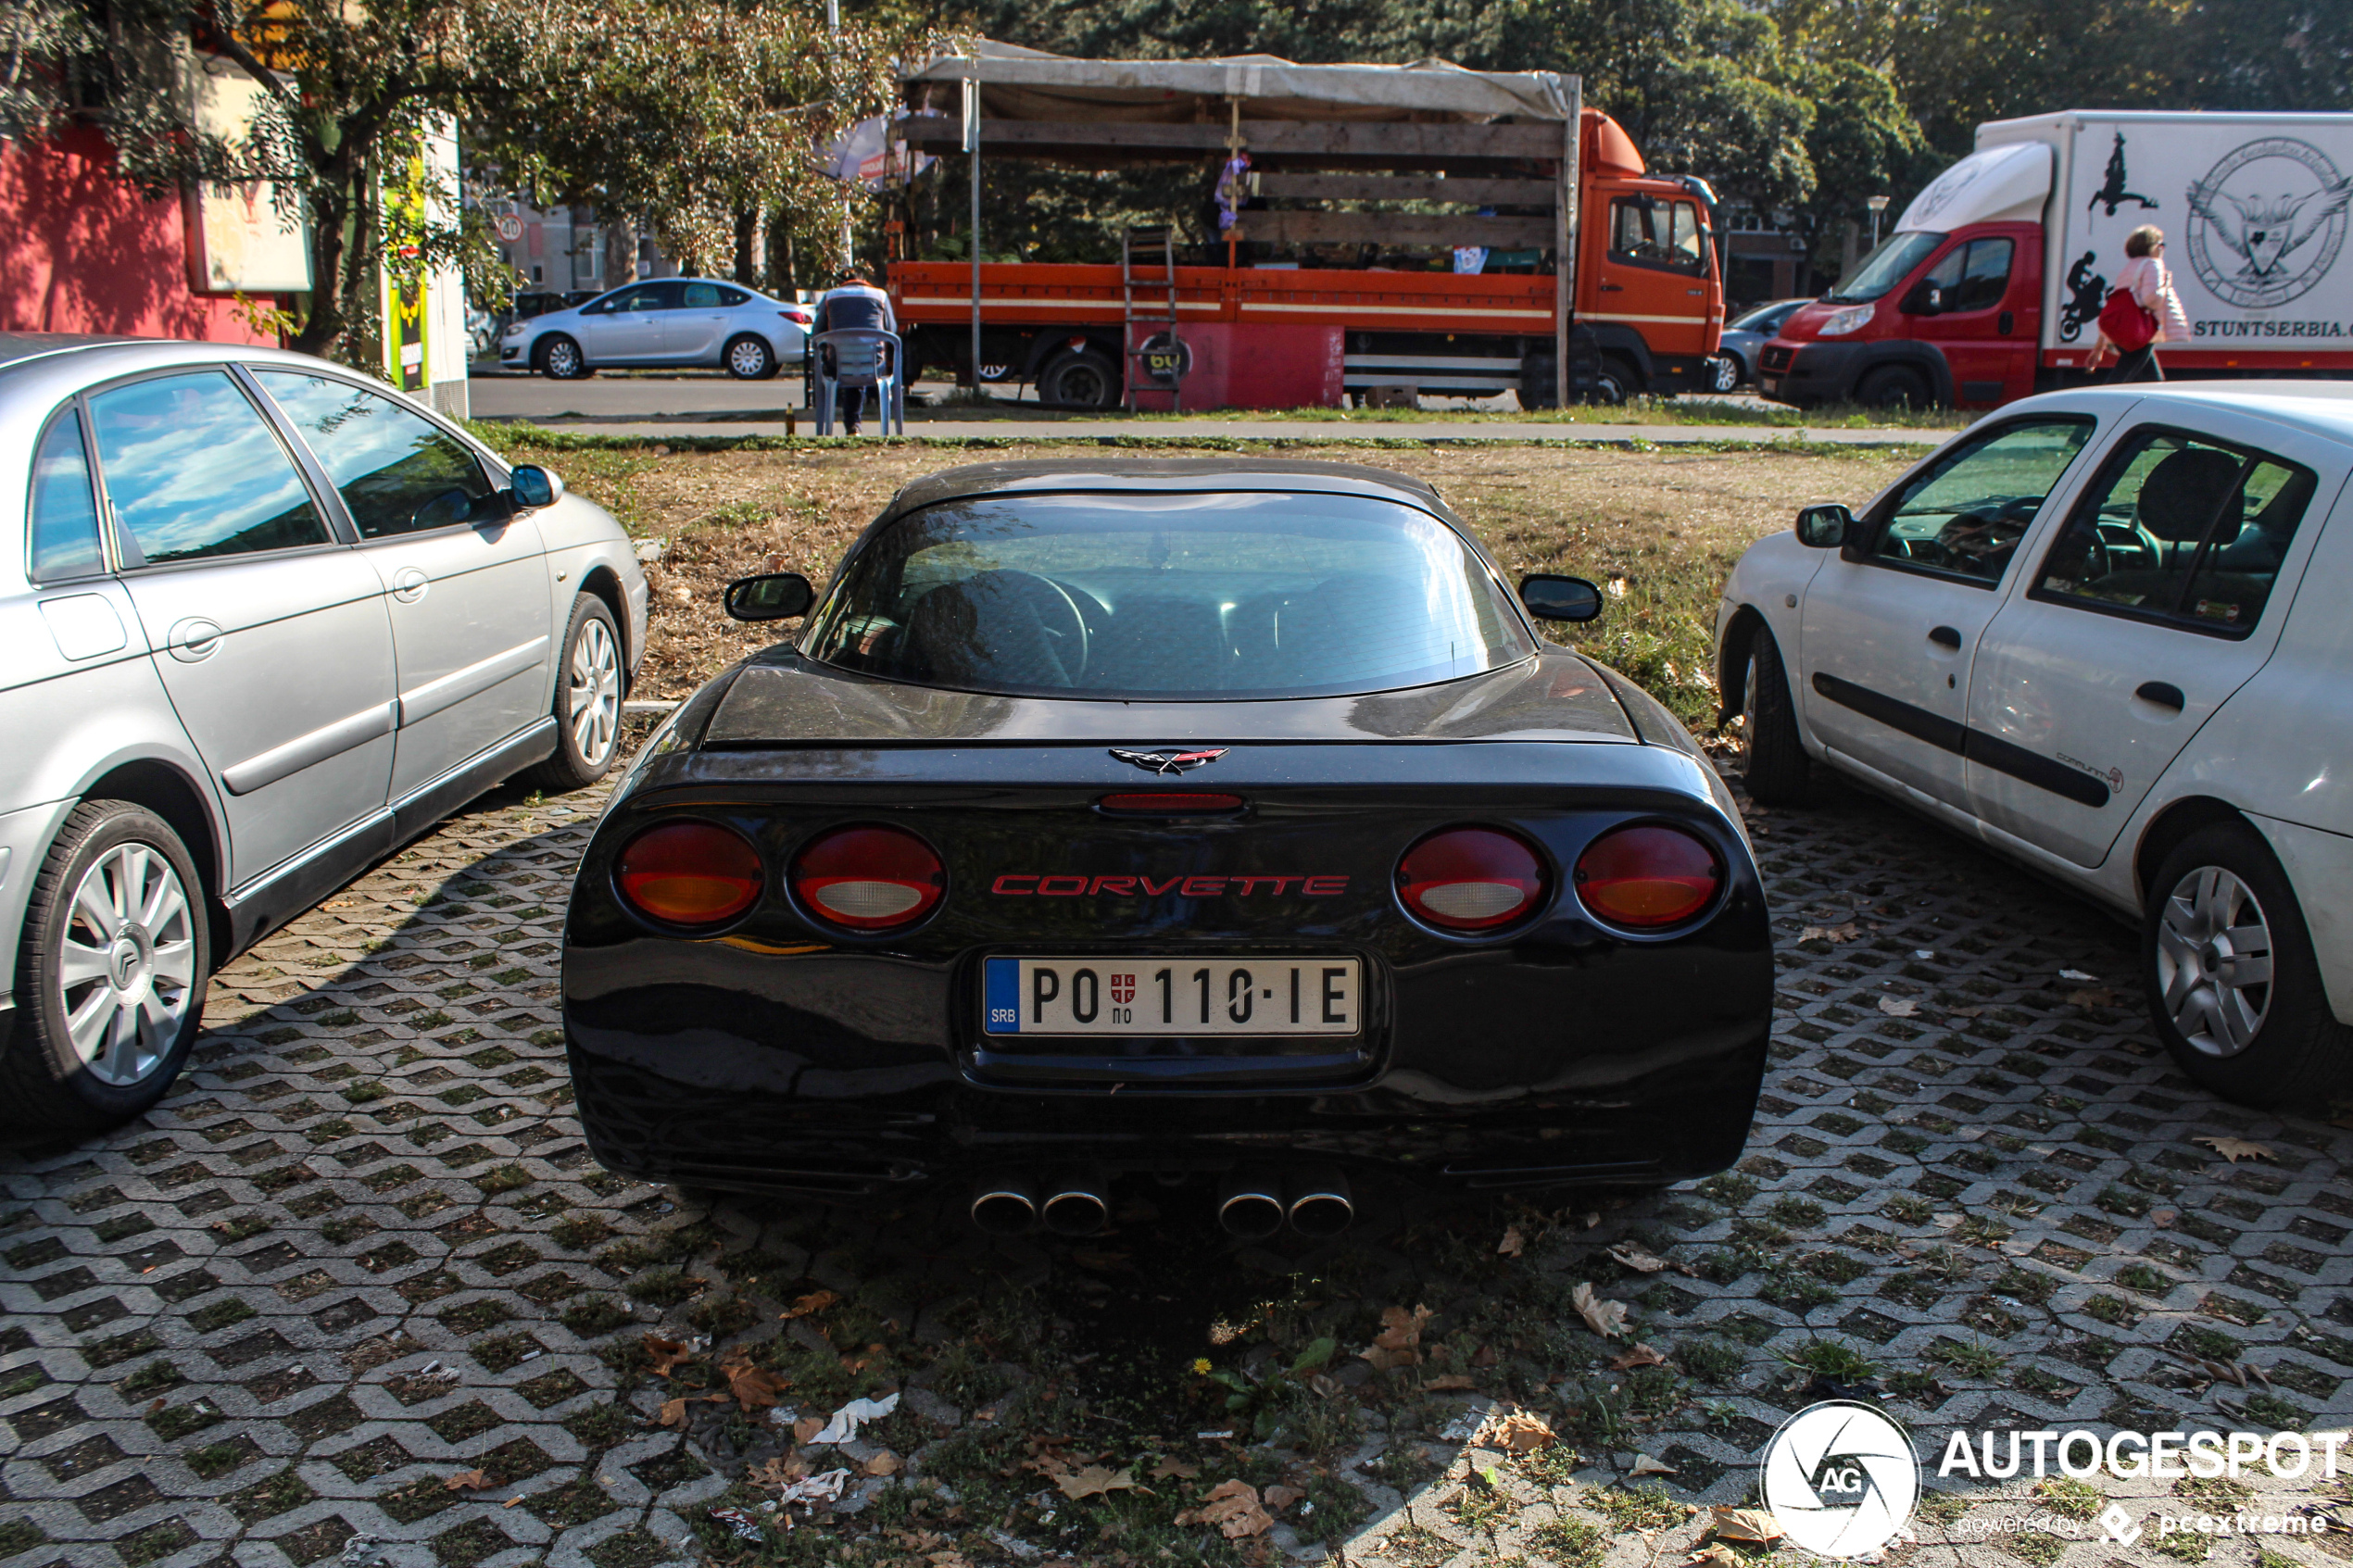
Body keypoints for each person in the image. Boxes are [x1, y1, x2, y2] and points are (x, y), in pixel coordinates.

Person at [2090, 225, 2188, 383]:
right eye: (2160, 244)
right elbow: (2151, 299)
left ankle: (2154, 406)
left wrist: (2099, 347)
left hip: (2127, 330)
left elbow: (2117, 304)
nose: (2162, 249)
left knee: (2153, 380)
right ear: (2153, 246)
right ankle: (2102, 405)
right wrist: (2166, 284)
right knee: (2120, 379)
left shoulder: (2130, 268)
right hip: (2141, 330)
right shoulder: (2153, 264)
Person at [811, 268, 898, 434]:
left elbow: (817, 333)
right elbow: (891, 330)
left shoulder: (830, 296)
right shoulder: (880, 296)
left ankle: (851, 424)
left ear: (843, 283)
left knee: (847, 361)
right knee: (862, 361)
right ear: (864, 280)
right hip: (872, 365)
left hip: (838, 365)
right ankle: (856, 423)